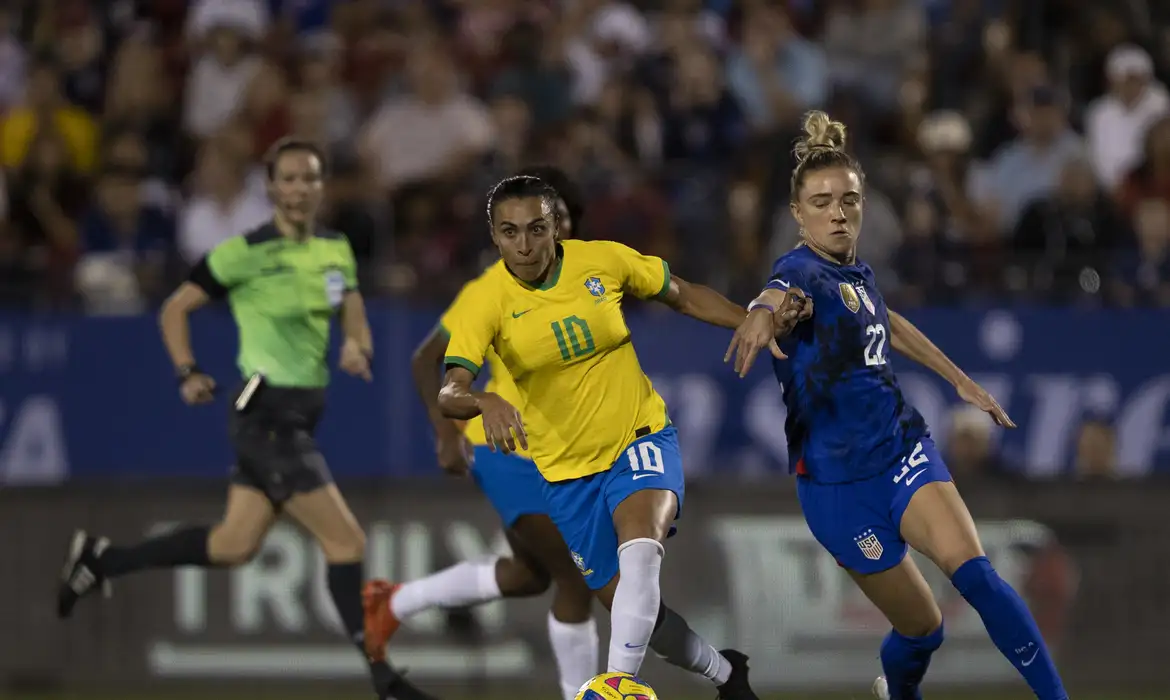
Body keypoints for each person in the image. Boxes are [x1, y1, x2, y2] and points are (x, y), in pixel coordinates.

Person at [55, 138, 436, 700]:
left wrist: (357, 344)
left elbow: (349, 300)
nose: (300, 189)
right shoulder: (245, 252)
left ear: (321, 186)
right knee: (347, 542)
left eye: (310, 178)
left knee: (234, 545)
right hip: (265, 417)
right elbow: (174, 308)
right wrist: (187, 371)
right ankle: (383, 678)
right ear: (272, 188)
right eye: (289, 179)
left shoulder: (334, 248)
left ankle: (102, 559)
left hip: (298, 420)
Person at [725, 111, 1069, 700]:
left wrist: (958, 378)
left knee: (977, 575)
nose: (838, 211)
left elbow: (886, 320)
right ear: (797, 215)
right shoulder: (800, 269)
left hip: (902, 451)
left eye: (849, 200)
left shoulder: (854, 272)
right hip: (838, 490)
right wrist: (762, 311)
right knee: (923, 630)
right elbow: (781, 295)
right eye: (822, 201)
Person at [434, 174, 780, 699]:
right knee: (638, 616)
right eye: (510, 233)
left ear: (557, 227)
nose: (524, 245)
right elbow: (449, 390)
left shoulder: (603, 260)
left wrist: (756, 320)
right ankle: (727, 675)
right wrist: (483, 399)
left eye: (536, 229)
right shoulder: (488, 303)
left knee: (641, 543)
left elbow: (682, 295)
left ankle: (616, 687)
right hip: (566, 475)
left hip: (638, 436)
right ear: (494, 236)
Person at [364, 166, 599, 700]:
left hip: (561, 456)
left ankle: (393, 602)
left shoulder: (591, 283)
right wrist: (446, 433)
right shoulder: (493, 287)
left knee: (529, 575)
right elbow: (427, 359)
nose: (542, 233)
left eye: (554, 220)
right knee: (576, 578)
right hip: (507, 451)